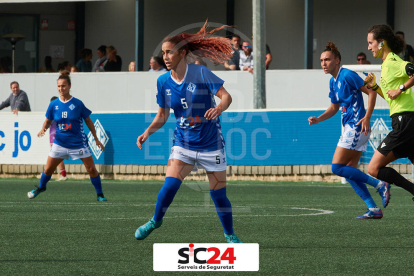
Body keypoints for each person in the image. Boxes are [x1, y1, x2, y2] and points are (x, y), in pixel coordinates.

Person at [134, 21, 242, 243]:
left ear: (182, 53)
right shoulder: (162, 81)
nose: (165, 57)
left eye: (169, 52)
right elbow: (163, 115)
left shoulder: (200, 72)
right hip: (183, 143)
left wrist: (219, 108)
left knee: (218, 195)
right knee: (170, 185)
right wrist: (147, 132)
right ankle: (155, 220)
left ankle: (230, 235)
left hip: (211, 144)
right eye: (163, 53)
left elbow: (226, 96)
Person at [308, 42, 390, 219]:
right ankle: (374, 209)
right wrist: (318, 119)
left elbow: (372, 92)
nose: (323, 63)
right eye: (321, 60)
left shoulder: (347, 75)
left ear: (337, 61)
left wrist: (367, 117)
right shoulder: (333, 81)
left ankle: (379, 184)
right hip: (350, 128)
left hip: (357, 126)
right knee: (349, 169)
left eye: (327, 59)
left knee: (337, 167)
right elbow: (333, 108)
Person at [27, 71, 107, 202]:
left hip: (79, 143)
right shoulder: (54, 104)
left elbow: (88, 121)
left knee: (91, 169)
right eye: (58, 86)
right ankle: (41, 188)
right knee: (48, 169)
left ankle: (100, 194)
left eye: (63, 86)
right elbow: (48, 120)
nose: (61, 89)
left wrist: (96, 139)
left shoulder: (77, 103)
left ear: (69, 86)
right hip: (60, 143)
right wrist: (43, 129)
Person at [364, 24, 414, 202]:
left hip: (404, 121)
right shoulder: (386, 65)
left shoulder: (393, 61)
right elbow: (390, 96)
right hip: (406, 121)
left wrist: (401, 89)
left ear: (381, 42)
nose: (369, 47)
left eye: (371, 43)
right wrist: (375, 87)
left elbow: (413, 72)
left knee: (373, 168)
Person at [49, 96, 68, 181]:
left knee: (56, 156)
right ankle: (63, 174)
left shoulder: (55, 112)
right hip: (53, 135)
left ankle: (62, 175)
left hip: (55, 136)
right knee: (57, 156)